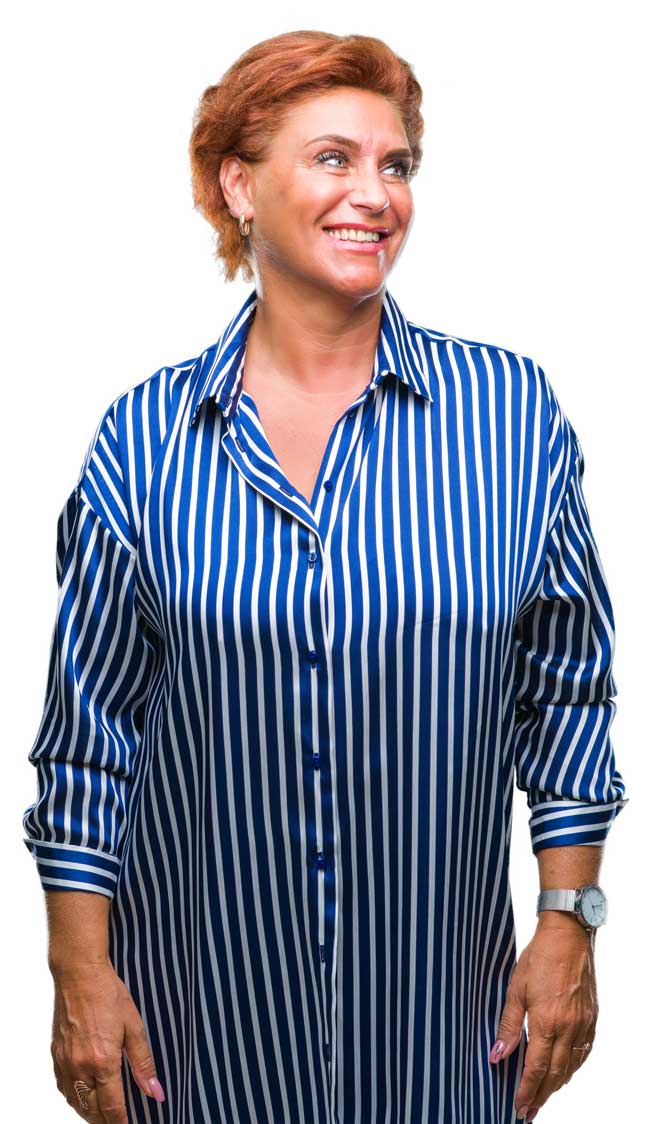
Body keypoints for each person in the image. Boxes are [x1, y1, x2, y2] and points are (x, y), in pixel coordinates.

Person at [22, 28, 628, 1124]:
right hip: (201, 1037)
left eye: (396, 164)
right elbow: (90, 736)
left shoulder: (508, 417)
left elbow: (567, 690)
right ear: (238, 186)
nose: (375, 194)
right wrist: (77, 970)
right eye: (333, 158)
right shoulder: (143, 439)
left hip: (441, 1035)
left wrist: (567, 918)